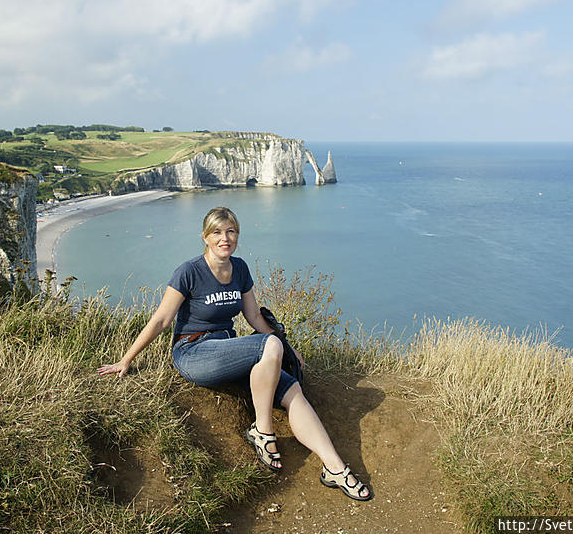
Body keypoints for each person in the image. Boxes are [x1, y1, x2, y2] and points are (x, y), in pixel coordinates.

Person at [98, 207, 371, 501]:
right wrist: (125, 360)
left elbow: (254, 316)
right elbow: (161, 320)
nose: (224, 238)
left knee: (291, 389)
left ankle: (335, 467)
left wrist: (287, 346)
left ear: (237, 236)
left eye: (231, 232)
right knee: (269, 346)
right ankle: (263, 431)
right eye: (217, 232)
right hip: (194, 352)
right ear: (205, 236)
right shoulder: (189, 272)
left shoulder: (239, 268)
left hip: (228, 349)